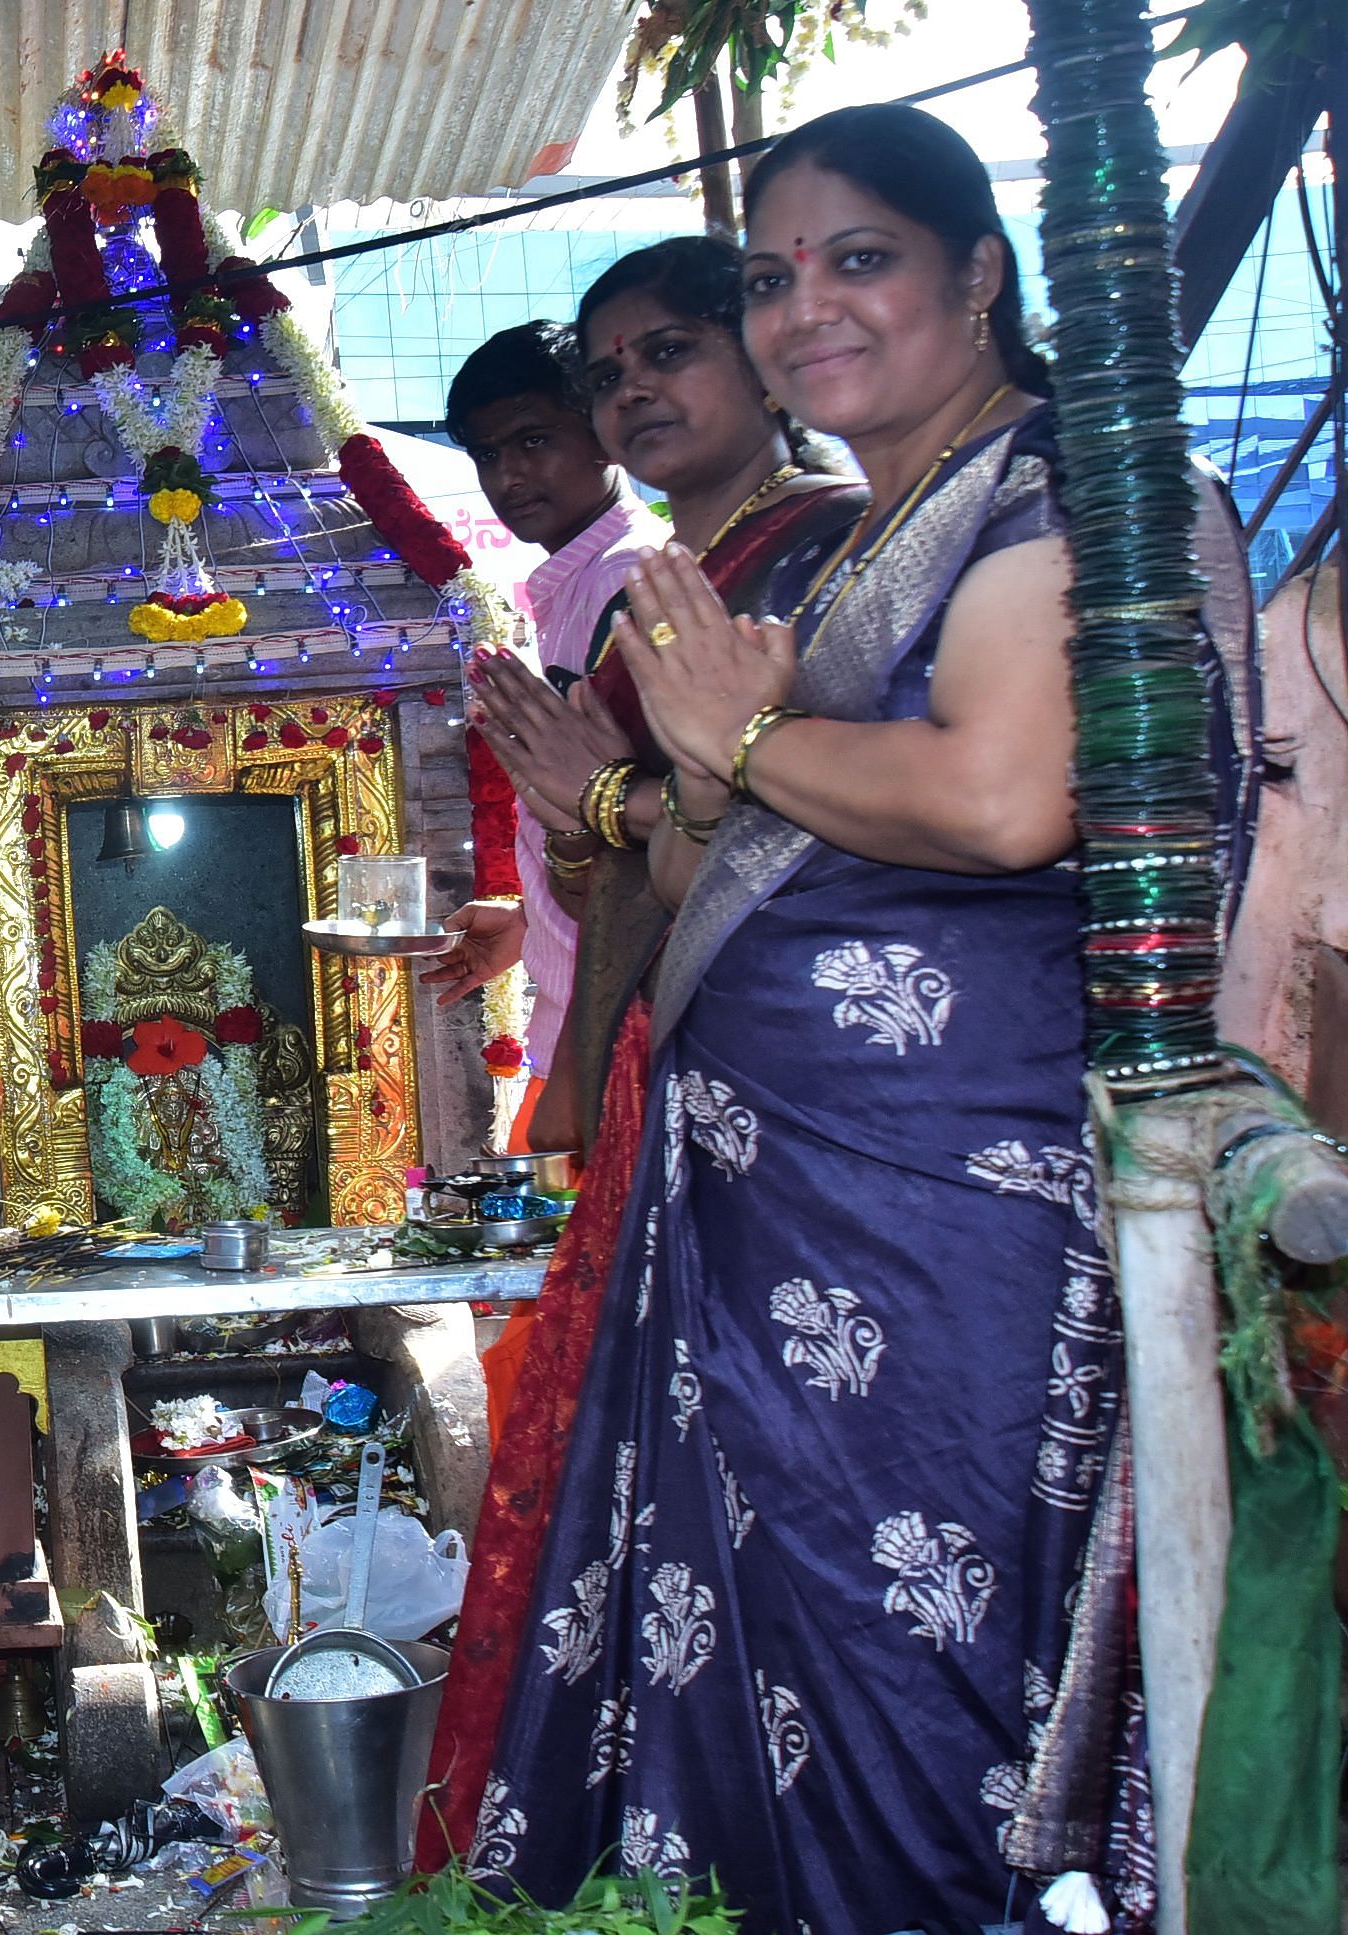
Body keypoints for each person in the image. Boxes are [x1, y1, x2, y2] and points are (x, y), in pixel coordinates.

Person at [471, 104, 1254, 1933]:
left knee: (935, 1665)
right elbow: (748, 835)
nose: (803, 307)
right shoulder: (846, 557)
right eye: (769, 276)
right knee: (781, 1668)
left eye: (858, 259)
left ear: (978, 275)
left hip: (951, 1224)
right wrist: (631, 799)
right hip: (772, 1215)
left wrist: (725, 743)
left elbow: (998, 802)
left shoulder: (1073, 492)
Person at [421, 234, 865, 1862]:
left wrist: (604, 810)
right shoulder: (652, 573)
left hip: (771, 1075)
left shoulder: (753, 565)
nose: (626, 400)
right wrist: (552, 877)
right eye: (609, 375)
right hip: (647, 1050)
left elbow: (732, 828)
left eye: (658, 358)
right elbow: (631, 833)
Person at [426, 321, 659, 1132]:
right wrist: (529, 923)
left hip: (620, 1025)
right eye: (487, 454)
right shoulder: (574, 585)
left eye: (532, 440)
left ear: (602, 430)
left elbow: (656, 826)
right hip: (579, 1004)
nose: (509, 475)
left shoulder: (627, 582)